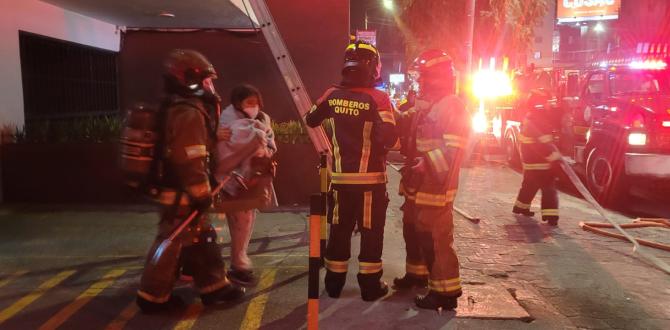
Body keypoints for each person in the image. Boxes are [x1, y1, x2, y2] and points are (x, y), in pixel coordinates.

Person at [136, 49, 244, 314]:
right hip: (181, 193)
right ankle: (151, 297)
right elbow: (191, 156)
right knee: (172, 244)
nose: (211, 86)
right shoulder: (188, 112)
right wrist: (201, 192)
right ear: (190, 79)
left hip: (178, 191)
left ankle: (214, 287)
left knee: (200, 238)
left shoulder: (177, 106)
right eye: (207, 80)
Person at [305, 41, 398, 302]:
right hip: (371, 182)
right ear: (372, 67)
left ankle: (333, 285)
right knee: (370, 232)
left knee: (339, 229)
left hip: (341, 181)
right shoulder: (379, 98)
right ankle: (370, 286)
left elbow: (311, 118)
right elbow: (389, 137)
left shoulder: (331, 94)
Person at [398, 49, 470, 310]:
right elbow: (408, 131)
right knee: (413, 230)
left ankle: (446, 293)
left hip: (435, 186)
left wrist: (426, 162)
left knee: (435, 238)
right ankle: (417, 275)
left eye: (424, 76)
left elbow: (455, 150)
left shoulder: (452, 106)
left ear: (437, 77)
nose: (420, 81)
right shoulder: (429, 104)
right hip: (417, 184)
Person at [215, 84, 277, 286]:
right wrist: (252, 143)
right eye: (249, 102)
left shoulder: (262, 119)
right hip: (231, 179)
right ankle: (238, 264)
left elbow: (269, 143)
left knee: (246, 220)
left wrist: (262, 146)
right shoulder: (226, 122)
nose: (254, 106)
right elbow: (224, 154)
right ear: (237, 103)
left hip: (253, 179)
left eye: (256, 102)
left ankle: (238, 261)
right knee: (239, 221)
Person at [512, 88, 561, 226]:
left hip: (530, 161)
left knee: (529, 185)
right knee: (549, 188)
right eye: (547, 101)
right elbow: (542, 143)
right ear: (539, 103)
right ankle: (551, 216)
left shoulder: (531, 116)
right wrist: (552, 156)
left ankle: (520, 207)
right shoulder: (539, 119)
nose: (549, 104)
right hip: (540, 162)